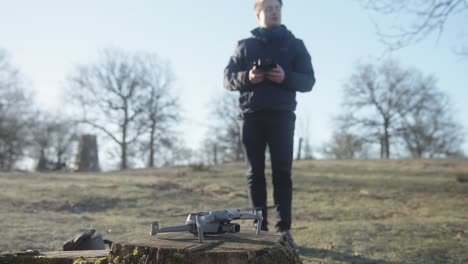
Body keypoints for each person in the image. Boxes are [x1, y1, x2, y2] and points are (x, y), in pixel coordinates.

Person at [224, 0, 315, 253]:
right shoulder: (244, 46)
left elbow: (309, 81)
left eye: (278, 8)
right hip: (251, 115)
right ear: (258, 14)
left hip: (282, 115)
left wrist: (285, 78)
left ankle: (283, 230)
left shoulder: (295, 45)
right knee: (255, 174)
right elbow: (227, 79)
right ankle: (259, 230)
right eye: (269, 8)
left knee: (282, 173)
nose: (274, 12)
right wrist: (248, 77)